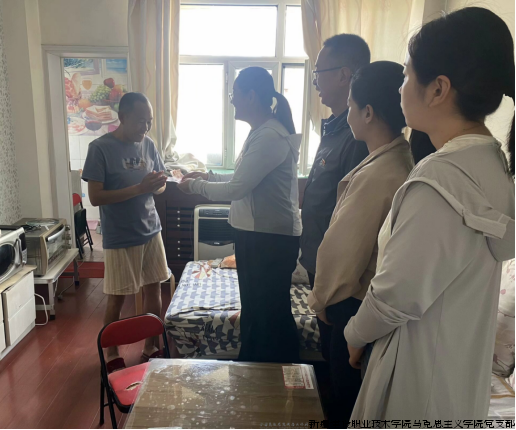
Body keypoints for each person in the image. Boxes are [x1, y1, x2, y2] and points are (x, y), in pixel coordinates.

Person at [344, 7, 516, 423]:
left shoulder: (440, 180)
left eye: (406, 75)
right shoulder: (491, 164)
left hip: (417, 377)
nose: (400, 87)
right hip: (456, 373)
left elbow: (394, 296)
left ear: (438, 89)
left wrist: (354, 334)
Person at [307, 61, 417, 427]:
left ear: (367, 112)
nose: (347, 113)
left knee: (346, 399)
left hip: (352, 303)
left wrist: (321, 300)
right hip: (361, 302)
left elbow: (342, 252)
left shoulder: (381, 173)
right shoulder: (396, 158)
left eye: (351, 106)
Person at [178, 67, 302, 363]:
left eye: (235, 94)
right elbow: (242, 178)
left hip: (269, 239)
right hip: (257, 236)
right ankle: (255, 370)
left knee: (267, 315)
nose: (232, 100)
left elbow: (236, 188)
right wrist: (207, 176)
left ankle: (272, 373)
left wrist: (193, 186)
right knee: (257, 312)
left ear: (252, 96)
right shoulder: (260, 132)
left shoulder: (270, 135)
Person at [82, 92, 170, 372]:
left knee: (154, 288)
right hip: (120, 235)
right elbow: (96, 197)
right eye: (140, 121)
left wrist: (157, 184)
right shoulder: (100, 148)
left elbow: (160, 185)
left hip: (151, 229)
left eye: (149, 121)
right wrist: (139, 188)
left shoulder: (149, 144)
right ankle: (111, 353)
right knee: (117, 296)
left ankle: (150, 346)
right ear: (122, 117)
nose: (145, 127)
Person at [300, 34, 371, 359]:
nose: (315, 81)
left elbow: (351, 219)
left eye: (318, 72)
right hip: (320, 263)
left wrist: (329, 279)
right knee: (327, 349)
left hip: (338, 272)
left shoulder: (358, 136)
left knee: (338, 359)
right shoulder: (334, 128)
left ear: (344, 75)